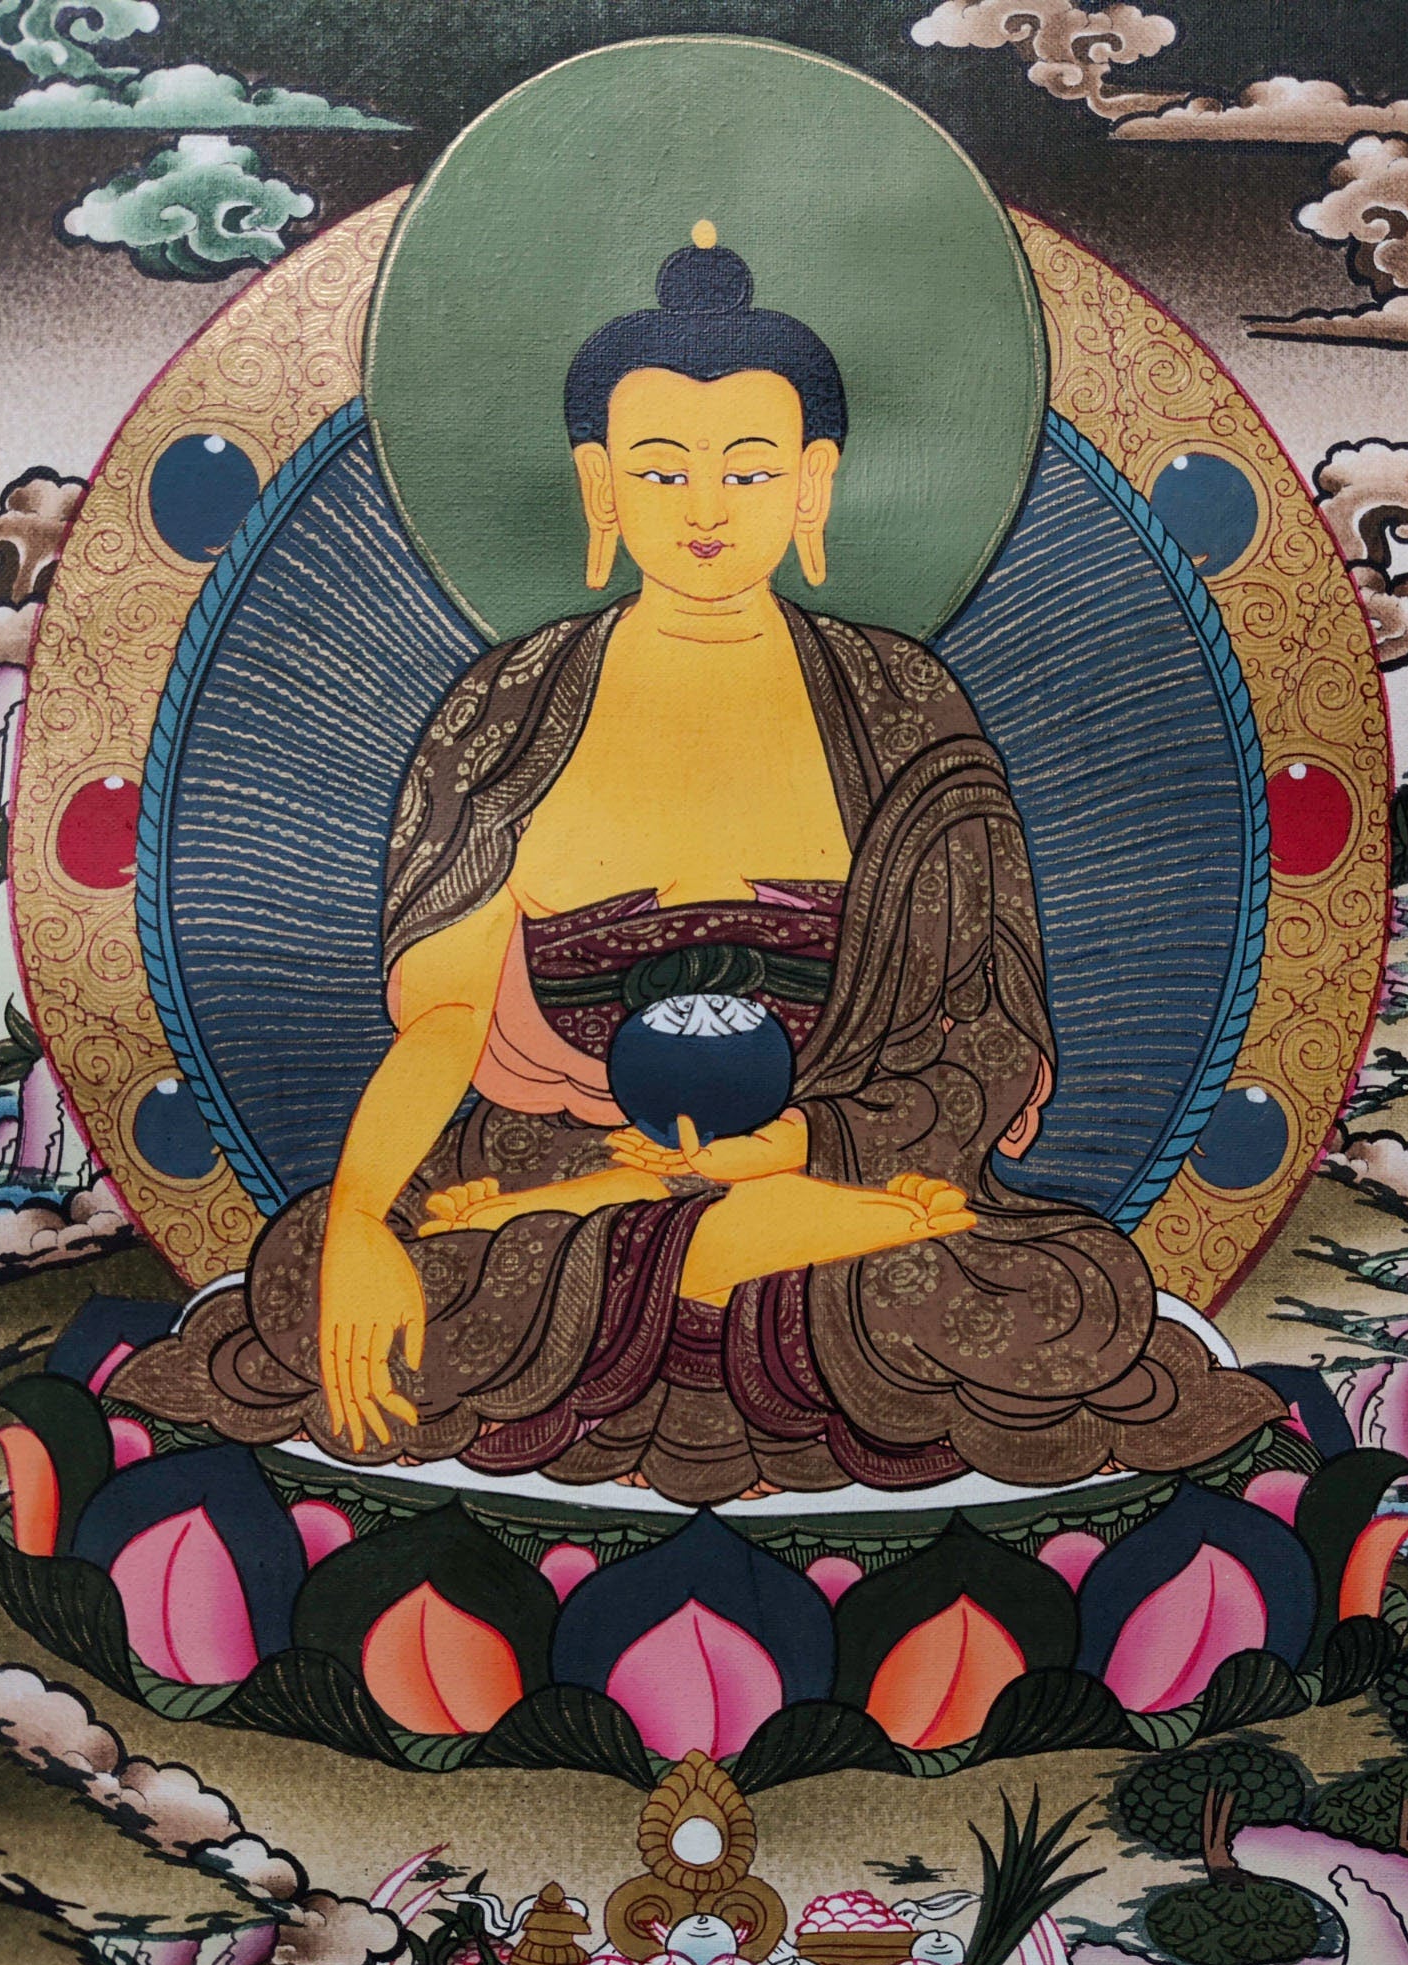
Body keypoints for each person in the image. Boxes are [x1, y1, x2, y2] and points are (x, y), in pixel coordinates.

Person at [112, 226, 1280, 1504]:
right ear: (600, 485)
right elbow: (448, 1019)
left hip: (824, 1162)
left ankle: (746, 1250)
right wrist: (354, 1219)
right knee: (338, 1279)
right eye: (662, 470)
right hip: (564, 1168)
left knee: (1051, 1293)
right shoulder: (511, 708)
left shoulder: (901, 706)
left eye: (750, 467)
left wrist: (804, 1142)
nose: (708, 507)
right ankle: (722, 1260)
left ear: (814, 483)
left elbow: (988, 1030)